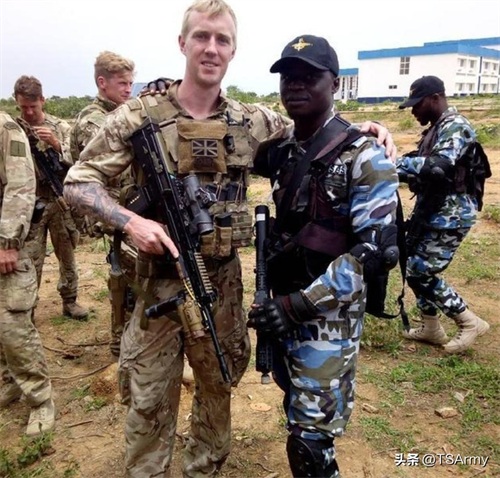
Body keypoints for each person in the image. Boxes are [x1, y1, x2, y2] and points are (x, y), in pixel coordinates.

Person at [64, 2, 395, 476]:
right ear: (183, 43)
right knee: (148, 397)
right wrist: (130, 221)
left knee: (219, 384)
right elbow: (78, 183)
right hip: (158, 284)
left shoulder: (251, 120)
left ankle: (205, 467)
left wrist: (369, 129)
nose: (211, 48)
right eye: (201, 36)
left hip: (221, 284)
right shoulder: (137, 115)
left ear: (233, 50)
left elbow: (319, 132)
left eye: (222, 40)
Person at [247, 35, 399, 478]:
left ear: (334, 83)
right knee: (296, 409)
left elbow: (372, 254)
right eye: (288, 77)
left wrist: (297, 306)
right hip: (282, 302)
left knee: (310, 444)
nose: (295, 85)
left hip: (327, 317)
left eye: (308, 77)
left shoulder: (365, 156)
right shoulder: (281, 149)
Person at [396, 75, 490, 353]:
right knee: (412, 264)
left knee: (420, 271)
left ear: (435, 98)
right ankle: (431, 326)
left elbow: (439, 166)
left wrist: (388, 164)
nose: (413, 111)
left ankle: (468, 321)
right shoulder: (437, 128)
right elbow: (421, 166)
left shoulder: (456, 126)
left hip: (452, 214)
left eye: (417, 104)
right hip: (433, 209)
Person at [70, 51, 136, 357]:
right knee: (124, 278)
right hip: (110, 211)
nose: (128, 89)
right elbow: (98, 172)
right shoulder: (93, 120)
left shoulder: (121, 113)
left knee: (130, 276)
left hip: (125, 207)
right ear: (102, 82)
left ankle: (126, 340)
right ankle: (120, 344)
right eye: (122, 83)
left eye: (130, 83)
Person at [13, 75, 88, 321]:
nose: (29, 112)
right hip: (30, 203)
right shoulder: (13, 130)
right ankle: (28, 308)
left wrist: (55, 143)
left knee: (66, 254)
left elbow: (79, 161)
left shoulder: (61, 127)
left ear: (43, 100)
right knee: (30, 258)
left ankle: (70, 300)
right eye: (23, 107)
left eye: (33, 106)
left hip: (59, 199)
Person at [0, 111, 55, 436]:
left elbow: (21, 185)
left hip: (5, 245)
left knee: (13, 326)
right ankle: (9, 381)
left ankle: (39, 398)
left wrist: (8, 242)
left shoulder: (5, 128)